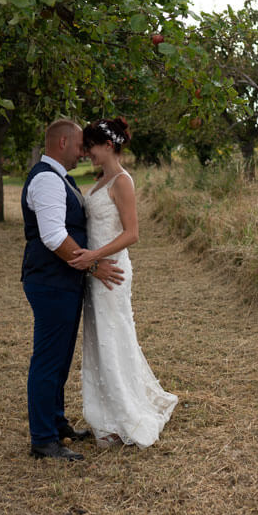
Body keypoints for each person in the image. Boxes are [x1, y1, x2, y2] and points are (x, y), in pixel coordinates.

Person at [68, 118, 177, 448]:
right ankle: (106, 415)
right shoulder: (101, 180)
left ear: (110, 146)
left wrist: (94, 257)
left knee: (114, 337)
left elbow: (132, 234)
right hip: (96, 270)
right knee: (100, 339)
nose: (88, 153)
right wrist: (90, 262)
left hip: (112, 271)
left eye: (92, 147)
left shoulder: (122, 181)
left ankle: (125, 415)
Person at [21, 118, 124, 461]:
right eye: (80, 145)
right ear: (62, 144)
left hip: (61, 281)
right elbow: (52, 237)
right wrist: (94, 266)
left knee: (60, 357)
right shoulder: (48, 181)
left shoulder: (57, 179)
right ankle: (43, 439)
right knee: (49, 360)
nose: (83, 152)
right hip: (51, 282)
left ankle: (57, 423)